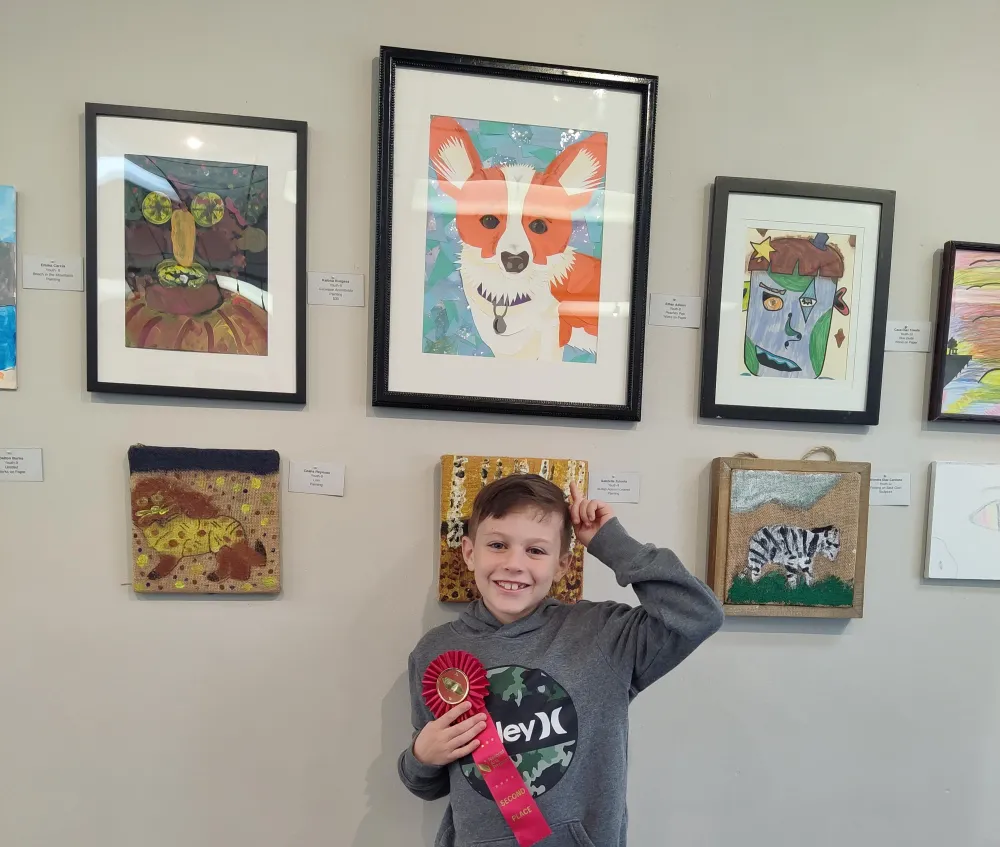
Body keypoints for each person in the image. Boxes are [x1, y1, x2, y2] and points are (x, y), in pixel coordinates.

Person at [398, 473, 725, 846]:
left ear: (563, 565)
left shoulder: (604, 635)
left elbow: (700, 614)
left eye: (535, 551)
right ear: (470, 553)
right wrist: (422, 756)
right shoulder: (434, 654)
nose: (514, 564)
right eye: (498, 545)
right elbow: (427, 785)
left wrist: (611, 544)